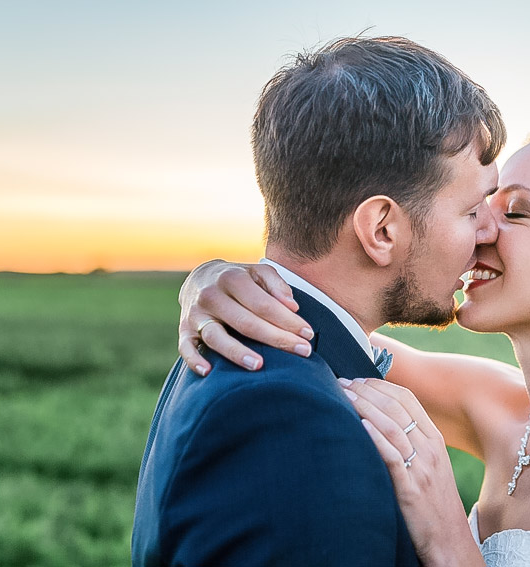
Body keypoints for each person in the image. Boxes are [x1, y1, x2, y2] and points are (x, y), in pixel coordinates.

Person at [177, 122, 530, 565]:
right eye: (481, 208)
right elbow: (325, 329)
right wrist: (211, 279)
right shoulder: (492, 403)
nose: (480, 232)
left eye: (515, 211)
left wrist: (450, 545)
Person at [131, 36, 507, 566]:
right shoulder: (291, 415)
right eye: (472, 210)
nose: (490, 231)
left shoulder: (258, 353)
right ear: (381, 229)